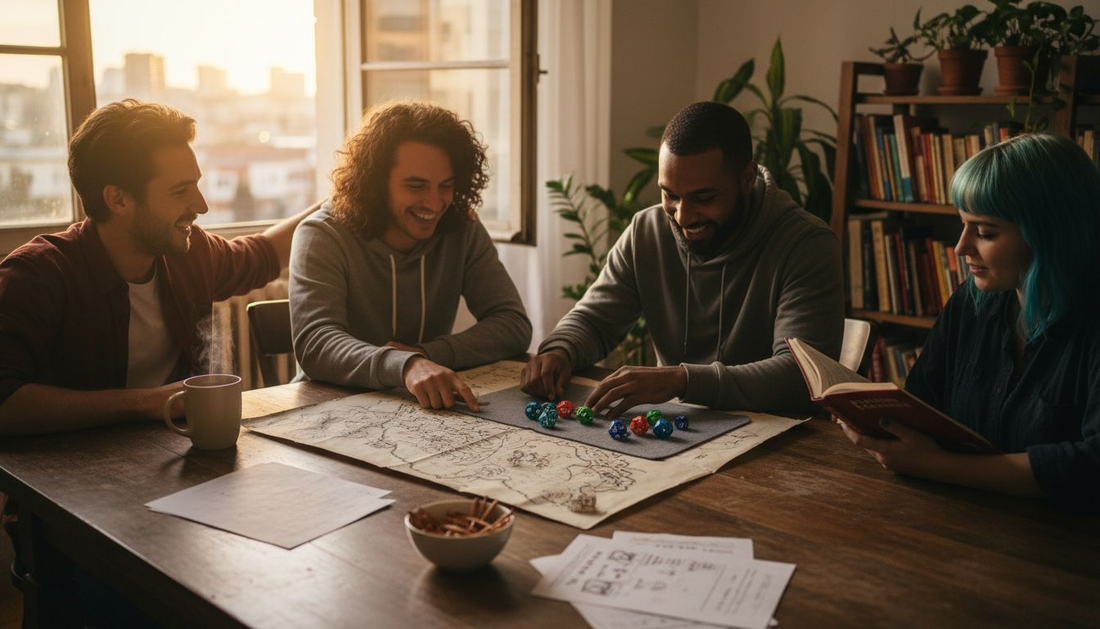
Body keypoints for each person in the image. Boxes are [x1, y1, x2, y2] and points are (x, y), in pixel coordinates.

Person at [0, 99, 314, 436]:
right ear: (118, 199)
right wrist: (147, 402)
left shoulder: (190, 253)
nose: (201, 205)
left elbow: (262, 254)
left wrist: (341, 197)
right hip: (68, 467)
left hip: (167, 455)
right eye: (180, 191)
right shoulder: (36, 276)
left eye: (197, 184)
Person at [522, 101, 844, 416]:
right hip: (678, 430)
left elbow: (801, 376)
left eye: (704, 197)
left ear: (747, 178)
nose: (683, 216)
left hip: (783, 437)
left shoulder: (806, 244)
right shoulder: (646, 232)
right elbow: (594, 321)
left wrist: (682, 380)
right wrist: (560, 350)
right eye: (670, 195)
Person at [839, 133, 1100, 511]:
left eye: (985, 232)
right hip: (959, 516)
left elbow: (1091, 466)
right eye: (962, 225)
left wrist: (935, 465)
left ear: (1049, 234)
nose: (961, 247)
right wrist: (875, 425)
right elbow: (922, 402)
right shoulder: (972, 300)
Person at [291, 101, 531, 410]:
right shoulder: (322, 235)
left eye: (445, 186)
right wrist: (404, 365)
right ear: (375, 183)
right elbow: (316, 345)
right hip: (327, 407)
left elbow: (513, 324)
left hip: (422, 409)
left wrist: (425, 355)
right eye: (416, 186)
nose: (434, 202)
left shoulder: (463, 229)